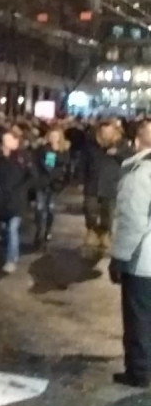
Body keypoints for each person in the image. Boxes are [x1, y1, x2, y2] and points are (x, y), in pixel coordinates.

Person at [109, 119, 151, 388]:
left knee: (138, 317)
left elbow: (131, 221)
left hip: (142, 259)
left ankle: (139, 370)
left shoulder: (139, 174)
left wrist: (119, 257)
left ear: (137, 142)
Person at [0, 131, 35, 274]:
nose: (5, 143)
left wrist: (22, 189)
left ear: (16, 141)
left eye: (8, 140)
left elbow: (32, 176)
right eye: (4, 140)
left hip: (17, 199)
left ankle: (11, 259)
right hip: (3, 200)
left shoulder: (23, 157)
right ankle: (7, 253)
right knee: (5, 229)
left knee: (12, 228)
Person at [83, 121, 131, 251]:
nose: (106, 135)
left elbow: (129, 159)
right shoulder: (91, 144)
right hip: (92, 183)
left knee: (108, 212)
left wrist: (117, 153)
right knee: (90, 209)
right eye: (103, 132)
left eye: (109, 132)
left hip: (111, 183)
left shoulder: (122, 144)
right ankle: (92, 231)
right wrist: (81, 179)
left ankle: (105, 233)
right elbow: (84, 162)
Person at [33, 127, 71, 247]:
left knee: (50, 208)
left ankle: (47, 230)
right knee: (39, 208)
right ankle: (39, 231)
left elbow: (66, 165)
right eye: (52, 136)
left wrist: (64, 180)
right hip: (43, 182)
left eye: (56, 136)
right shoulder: (43, 149)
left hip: (55, 183)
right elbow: (40, 163)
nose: (53, 138)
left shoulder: (64, 151)